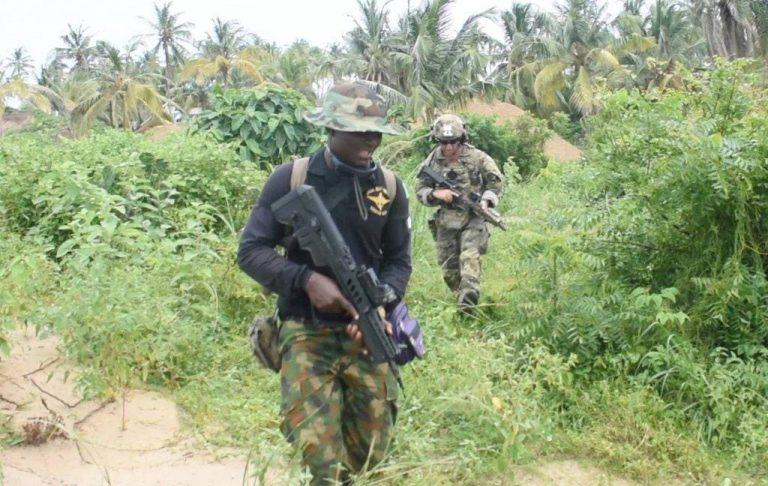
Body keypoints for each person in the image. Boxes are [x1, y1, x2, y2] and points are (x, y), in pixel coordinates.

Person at [237, 82, 411, 484]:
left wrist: (381, 303)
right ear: (331, 129)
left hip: (364, 337)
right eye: (358, 130)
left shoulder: (389, 187)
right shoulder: (292, 178)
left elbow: (399, 262)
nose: (371, 139)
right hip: (306, 334)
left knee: (372, 457)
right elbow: (251, 250)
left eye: (376, 131)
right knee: (320, 461)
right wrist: (305, 279)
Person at [415, 114, 504, 311]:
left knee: (469, 258)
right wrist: (437, 194)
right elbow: (420, 189)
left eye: (453, 142)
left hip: (473, 218)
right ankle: (461, 298)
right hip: (446, 221)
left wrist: (487, 199)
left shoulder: (477, 157)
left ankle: (468, 301)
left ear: (461, 139)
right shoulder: (432, 161)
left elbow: (496, 182)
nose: (448, 148)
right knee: (449, 269)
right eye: (444, 143)